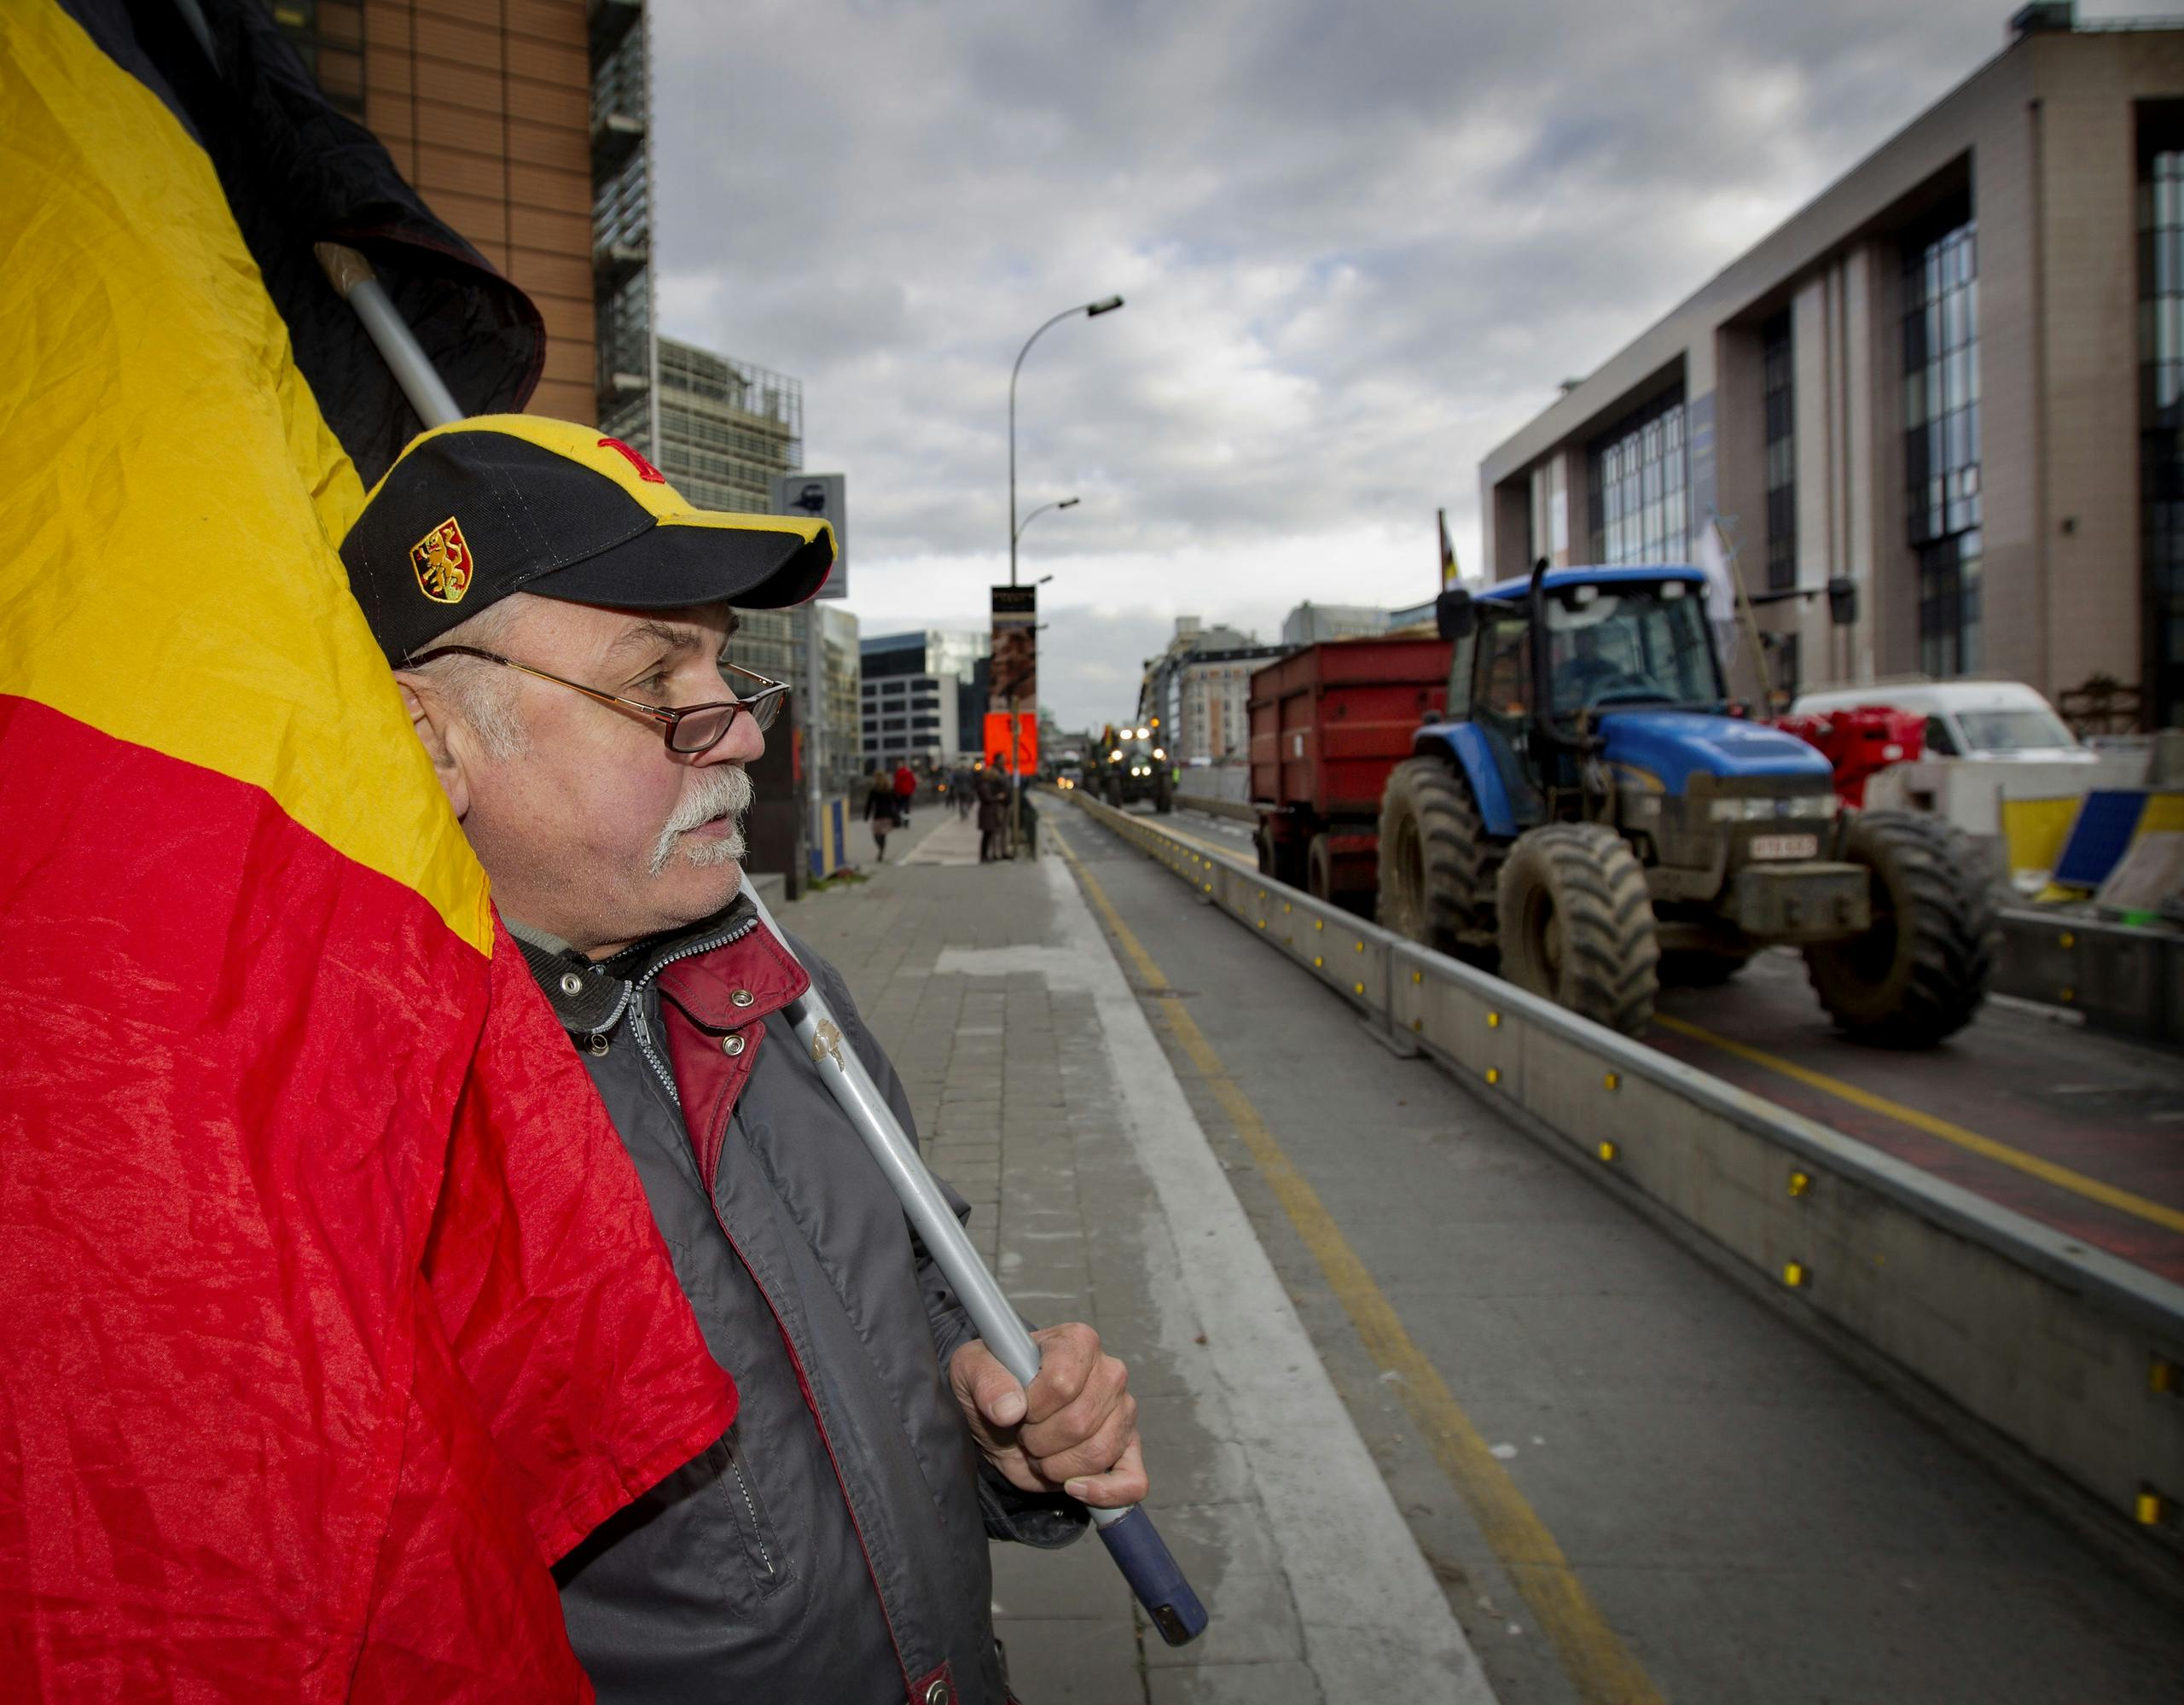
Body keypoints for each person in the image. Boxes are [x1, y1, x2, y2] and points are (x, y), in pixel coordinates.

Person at [341, 417, 1145, 1704]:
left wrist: (994, 1414)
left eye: (723, 669)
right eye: (660, 684)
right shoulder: (377, 1128)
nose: (741, 735)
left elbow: (921, 1288)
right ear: (432, 734)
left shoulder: (786, 995)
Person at [864, 765, 902, 861]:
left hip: (878, 815)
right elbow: (897, 800)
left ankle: (880, 849)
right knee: (882, 834)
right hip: (888, 815)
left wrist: (866, 815)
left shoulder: (874, 790)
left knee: (876, 834)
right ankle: (882, 850)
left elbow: (869, 803)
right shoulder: (889, 789)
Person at [976, 762, 1011, 864]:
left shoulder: (985, 784)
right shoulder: (984, 785)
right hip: (987, 812)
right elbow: (987, 798)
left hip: (988, 812)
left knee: (989, 834)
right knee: (987, 835)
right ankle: (984, 856)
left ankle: (985, 855)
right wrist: (997, 797)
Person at [892, 759, 917, 825]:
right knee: (907, 807)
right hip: (908, 792)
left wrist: (896, 791)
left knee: (899, 807)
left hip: (900, 792)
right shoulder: (909, 772)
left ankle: (898, 821)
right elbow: (914, 782)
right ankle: (906, 822)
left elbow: (896, 783)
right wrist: (912, 790)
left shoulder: (898, 773)